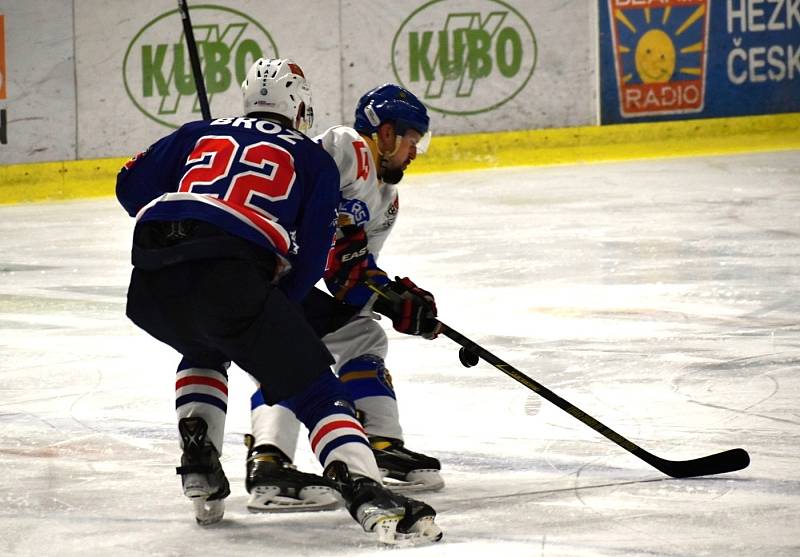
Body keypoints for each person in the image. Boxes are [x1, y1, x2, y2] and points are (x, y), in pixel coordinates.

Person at [116, 59, 441, 544]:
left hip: (152, 275)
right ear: (300, 106)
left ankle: (199, 458)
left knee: (209, 343)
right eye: (411, 138)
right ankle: (369, 495)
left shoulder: (199, 132)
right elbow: (313, 262)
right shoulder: (320, 155)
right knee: (307, 378)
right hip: (234, 273)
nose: (415, 150)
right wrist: (276, 309)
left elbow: (129, 185)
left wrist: (191, 214)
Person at [245, 84, 444, 514]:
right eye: (412, 141)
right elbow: (324, 228)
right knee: (287, 354)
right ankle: (269, 462)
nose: (415, 153)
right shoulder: (346, 147)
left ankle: (381, 443)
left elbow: (348, 279)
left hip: (292, 281)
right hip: (262, 271)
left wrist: (395, 301)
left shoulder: (386, 200)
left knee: (361, 336)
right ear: (386, 134)